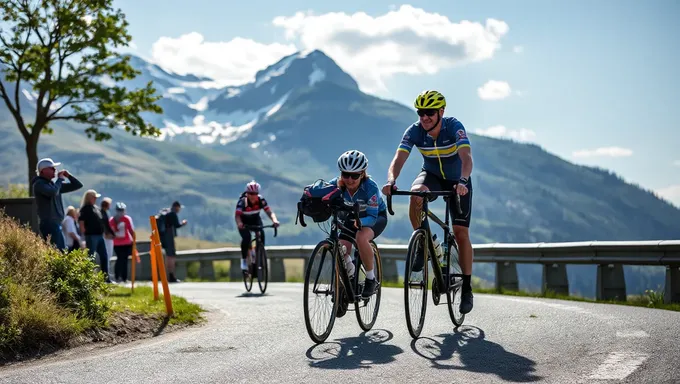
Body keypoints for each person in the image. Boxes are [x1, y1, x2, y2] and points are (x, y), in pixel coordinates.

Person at [381, 90, 475, 314]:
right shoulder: (414, 131)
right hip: (431, 175)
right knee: (416, 195)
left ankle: (467, 287)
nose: (425, 117)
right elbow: (398, 158)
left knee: (460, 232)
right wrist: (391, 180)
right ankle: (425, 242)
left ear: (441, 112)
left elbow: (466, 158)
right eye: (421, 112)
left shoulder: (453, 127)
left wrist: (463, 180)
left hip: (457, 180)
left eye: (430, 113)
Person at [330, 150, 387, 299]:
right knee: (340, 250)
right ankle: (346, 282)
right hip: (352, 218)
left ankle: (370, 278)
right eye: (345, 174)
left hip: (374, 217)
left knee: (361, 237)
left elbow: (373, 216)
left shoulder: (371, 187)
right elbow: (320, 192)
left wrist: (360, 222)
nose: (349, 179)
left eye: (354, 175)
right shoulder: (336, 184)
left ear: (362, 174)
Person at [31, 157, 83, 250]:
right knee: (59, 250)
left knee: (60, 250)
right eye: (52, 168)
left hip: (56, 223)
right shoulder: (39, 184)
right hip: (49, 223)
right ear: (43, 171)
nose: (55, 170)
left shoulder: (54, 185)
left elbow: (78, 185)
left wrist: (69, 176)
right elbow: (52, 192)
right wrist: (59, 180)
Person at [234, 180, 280, 273]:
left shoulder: (261, 200)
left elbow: (269, 212)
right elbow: (237, 216)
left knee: (261, 235)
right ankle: (244, 260)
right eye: (250, 193)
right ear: (247, 193)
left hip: (255, 220)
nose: (252, 195)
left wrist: (274, 220)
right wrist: (239, 223)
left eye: (255, 193)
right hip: (244, 222)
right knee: (247, 238)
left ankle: (258, 253)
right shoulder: (242, 202)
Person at [78, 189, 113, 283]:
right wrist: (83, 235)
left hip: (99, 235)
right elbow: (81, 222)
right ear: (90, 198)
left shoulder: (96, 208)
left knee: (104, 256)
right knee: (91, 257)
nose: (95, 199)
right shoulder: (85, 209)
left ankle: (106, 278)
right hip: (91, 235)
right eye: (94, 197)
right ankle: (88, 277)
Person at [160, 201, 187, 283]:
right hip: (169, 237)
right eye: (179, 208)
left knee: (168, 256)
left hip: (163, 237)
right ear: (176, 207)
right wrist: (183, 223)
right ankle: (171, 276)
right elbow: (177, 225)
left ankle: (166, 275)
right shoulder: (172, 214)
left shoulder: (165, 213)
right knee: (171, 256)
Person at [110, 202, 135, 283]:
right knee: (122, 260)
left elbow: (130, 230)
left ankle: (121, 277)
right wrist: (134, 239)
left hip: (122, 243)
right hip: (122, 243)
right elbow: (131, 230)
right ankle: (121, 277)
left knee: (121, 260)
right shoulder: (123, 219)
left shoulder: (114, 220)